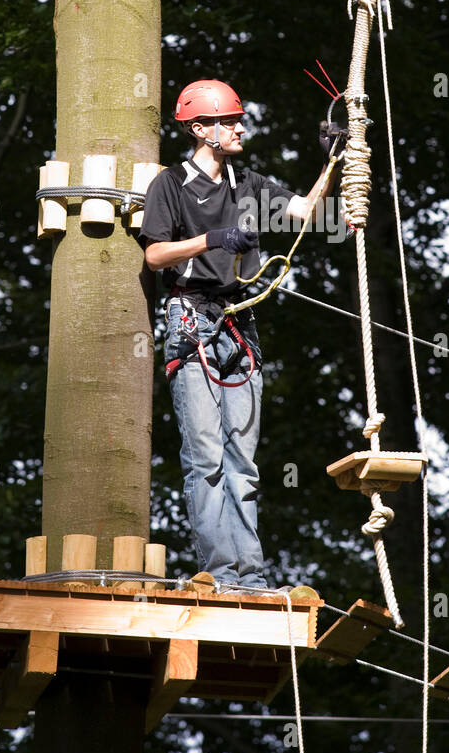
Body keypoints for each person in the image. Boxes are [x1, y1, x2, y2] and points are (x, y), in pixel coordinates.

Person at [138, 79, 340, 590]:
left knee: (243, 462)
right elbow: (154, 254)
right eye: (230, 121)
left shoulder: (246, 182)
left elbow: (306, 212)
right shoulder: (170, 185)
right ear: (201, 129)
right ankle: (220, 572)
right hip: (192, 322)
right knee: (205, 456)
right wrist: (212, 239)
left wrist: (331, 162)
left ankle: (249, 577)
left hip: (239, 325)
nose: (240, 127)